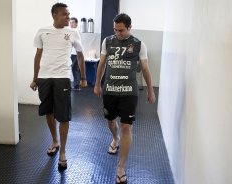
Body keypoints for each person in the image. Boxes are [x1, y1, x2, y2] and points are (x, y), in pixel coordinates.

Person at [94, 13, 156, 184]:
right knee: (110, 121)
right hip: (110, 90)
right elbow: (102, 63)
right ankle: (115, 139)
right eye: (115, 30)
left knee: (127, 127)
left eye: (121, 30)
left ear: (129, 27)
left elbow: (145, 68)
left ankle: (121, 168)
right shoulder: (107, 41)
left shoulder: (139, 44)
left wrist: (150, 90)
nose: (118, 33)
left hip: (129, 92)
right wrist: (97, 84)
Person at [30, 3, 87, 171]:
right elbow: (37, 56)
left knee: (63, 116)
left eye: (69, 15)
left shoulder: (73, 32)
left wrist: (83, 78)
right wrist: (35, 79)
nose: (68, 18)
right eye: (65, 15)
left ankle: (63, 151)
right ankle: (54, 140)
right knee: (48, 112)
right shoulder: (42, 31)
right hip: (44, 78)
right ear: (54, 15)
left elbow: (81, 56)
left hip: (63, 77)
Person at [69, 17, 81, 90]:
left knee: (72, 68)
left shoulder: (76, 31)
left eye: (73, 22)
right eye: (70, 22)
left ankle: (76, 85)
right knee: (74, 69)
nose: (71, 24)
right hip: (75, 53)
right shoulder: (73, 31)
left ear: (76, 23)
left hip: (74, 53)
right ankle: (76, 85)